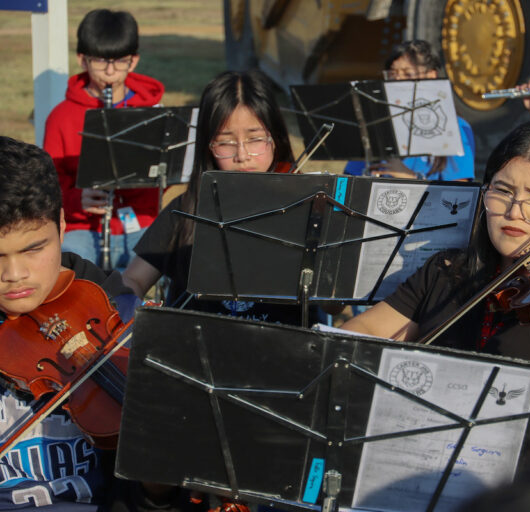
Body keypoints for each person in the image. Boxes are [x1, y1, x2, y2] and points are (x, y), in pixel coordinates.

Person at [341, 120, 530, 458]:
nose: (515, 212)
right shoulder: (448, 272)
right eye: (502, 191)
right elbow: (364, 332)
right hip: (440, 459)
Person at [0, 136, 203, 512]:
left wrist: (156, 491)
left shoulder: (117, 319)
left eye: (33, 249)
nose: (14, 275)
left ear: (62, 226)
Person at [121, 70, 303, 323]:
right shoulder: (187, 209)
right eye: (226, 142)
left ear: (276, 139)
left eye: (255, 139)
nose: (242, 155)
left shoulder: (302, 208)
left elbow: (334, 309)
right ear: (208, 146)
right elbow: (133, 278)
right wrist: (133, 307)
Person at [43, 9, 165, 270]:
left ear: (133, 62)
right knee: (69, 269)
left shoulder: (152, 111)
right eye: (100, 61)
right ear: (83, 60)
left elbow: (164, 177)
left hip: (139, 221)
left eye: (120, 61)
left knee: (164, 261)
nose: (110, 72)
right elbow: (50, 184)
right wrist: (79, 200)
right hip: (82, 227)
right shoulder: (61, 116)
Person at [345, 39, 475, 181]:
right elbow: (349, 177)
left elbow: (461, 192)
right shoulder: (376, 125)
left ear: (431, 76)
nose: (397, 81)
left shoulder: (455, 127)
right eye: (393, 74)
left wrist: (412, 177)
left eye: (407, 74)